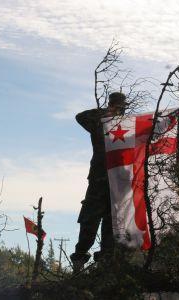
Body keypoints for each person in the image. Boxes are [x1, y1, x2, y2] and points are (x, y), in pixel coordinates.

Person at [70, 92, 127, 272]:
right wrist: (106, 113)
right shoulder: (98, 122)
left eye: (121, 107)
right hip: (98, 179)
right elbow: (80, 117)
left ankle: (105, 267)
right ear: (110, 104)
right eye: (116, 105)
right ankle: (79, 262)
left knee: (111, 225)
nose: (119, 109)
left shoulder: (128, 125)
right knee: (89, 221)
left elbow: (150, 127)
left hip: (117, 181)